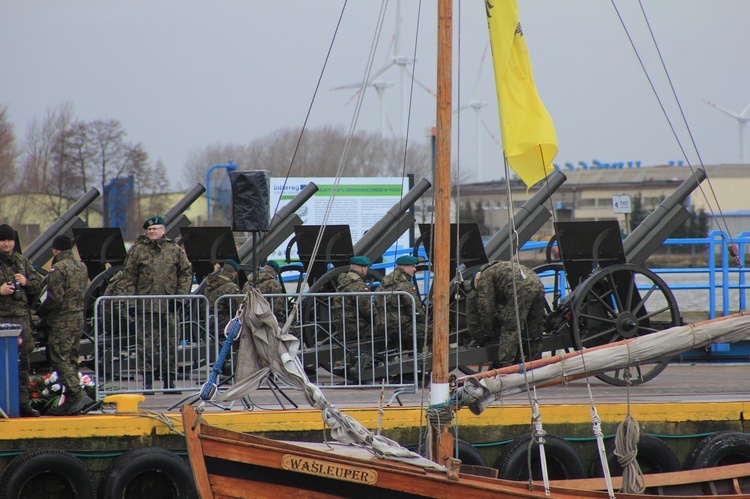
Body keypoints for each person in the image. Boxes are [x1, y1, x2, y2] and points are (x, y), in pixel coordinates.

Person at [120, 216, 193, 392]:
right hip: (144, 305)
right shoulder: (137, 251)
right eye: (150, 229)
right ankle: (148, 382)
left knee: (171, 344)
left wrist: (179, 298)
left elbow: (185, 274)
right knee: (145, 346)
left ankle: (170, 382)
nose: (152, 232)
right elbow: (128, 277)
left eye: (156, 229)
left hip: (168, 305)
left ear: (164, 230)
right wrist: (130, 302)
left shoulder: (174, 250)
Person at [36, 235, 93, 416]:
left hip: (61, 321)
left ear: (55, 250)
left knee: (59, 358)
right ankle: (70, 400)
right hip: (77, 319)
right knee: (71, 358)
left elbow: (55, 298)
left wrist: (40, 312)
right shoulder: (81, 267)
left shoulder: (58, 269)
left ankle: (77, 394)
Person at [464, 260, 545, 368]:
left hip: (520, 288)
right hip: (537, 283)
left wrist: (487, 333)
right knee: (535, 329)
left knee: (510, 327)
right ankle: (535, 364)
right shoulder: (499, 267)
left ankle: (504, 366)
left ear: (476, 280)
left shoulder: (483, 277)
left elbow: (487, 308)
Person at [0, 224, 44, 417]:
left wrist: (26, 282)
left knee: (22, 362)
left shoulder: (22, 261)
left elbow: (38, 284)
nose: (6, 243)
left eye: (9, 240)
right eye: (2, 240)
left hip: (20, 320)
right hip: (1, 318)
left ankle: (23, 403)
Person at [375, 255, 427, 350]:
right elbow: (415, 309)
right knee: (433, 332)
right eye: (412, 266)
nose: (415, 269)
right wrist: (426, 321)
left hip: (384, 325)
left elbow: (377, 303)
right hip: (401, 327)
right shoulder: (405, 285)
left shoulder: (385, 282)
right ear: (403, 267)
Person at [331, 255, 374, 340]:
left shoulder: (342, 283)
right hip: (359, 329)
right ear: (363, 269)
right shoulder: (359, 286)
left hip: (343, 329)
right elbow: (368, 311)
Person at [243, 260, 287, 327]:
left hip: (248, 321)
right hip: (267, 322)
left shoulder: (248, 283)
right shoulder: (274, 284)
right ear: (275, 272)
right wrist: (281, 321)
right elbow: (277, 307)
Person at [204, 259, 241, 335]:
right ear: (235, 273)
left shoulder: (210, 283)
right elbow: (238, 310)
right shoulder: (231, 287)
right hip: (224, 326)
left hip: (208, 325)